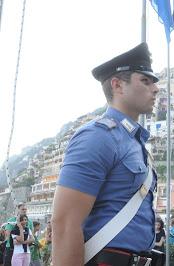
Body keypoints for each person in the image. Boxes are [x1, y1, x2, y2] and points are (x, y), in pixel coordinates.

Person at [52, 42, 160, 266]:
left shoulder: (134, 142)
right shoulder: (98, 137)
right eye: (145, 80)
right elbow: (65, 223)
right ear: (118, 85)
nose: (155, 89)